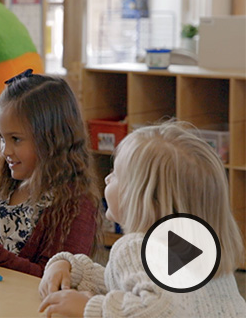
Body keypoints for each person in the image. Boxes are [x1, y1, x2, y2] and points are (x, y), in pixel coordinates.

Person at [38, 121, 246, 317]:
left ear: (145, 199)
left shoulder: (136, 247)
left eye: (116, 174)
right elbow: (128, 284)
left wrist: (90, 308)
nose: (107, 178)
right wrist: (74, 269)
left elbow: (158, 310)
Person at [0, 69, 101, 277]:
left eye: (16, 139)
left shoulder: (75, 205)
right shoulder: (3, 185)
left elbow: (51, 279)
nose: (5, 151)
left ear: (52, 139)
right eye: (1, 138)